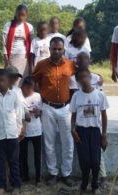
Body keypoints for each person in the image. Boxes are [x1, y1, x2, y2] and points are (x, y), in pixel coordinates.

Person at [32, 37, 75, 186]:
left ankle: (67, 173)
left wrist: (99, 78)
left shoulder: (70, 65)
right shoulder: (41, 65)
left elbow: (83, 77)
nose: (56, 51)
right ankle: (53, 173)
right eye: (54, 48)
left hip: (66, 108)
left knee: (68, 142)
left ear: (63, 49)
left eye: (59, 48)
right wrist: (37, 97)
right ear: (49, 49)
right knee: (49, 142)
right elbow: (32, 80)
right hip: (47, 107)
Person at [0, 69, 25, 195]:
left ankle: (16, 186)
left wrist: (19, 130)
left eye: (3, 81)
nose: (1, 83)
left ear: (9, 82)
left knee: (14, 162)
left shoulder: (14, 96)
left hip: (12, 134)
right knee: (0, 162)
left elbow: (19, 114)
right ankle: (1, 186)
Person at [70, 68, 109, 194]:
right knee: (85, 161)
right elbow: (73, 115)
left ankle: (95, 185)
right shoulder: (76, 96)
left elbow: (104, 115)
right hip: (81, 131)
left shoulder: (99, 94)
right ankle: (84, 183)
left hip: (95, 131)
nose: (84, 80)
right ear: (77, 81)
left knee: (96, 161)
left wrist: (104, 135)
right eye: (80, 78)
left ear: (90, 78)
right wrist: (72, 130)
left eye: (86, 76)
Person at [3, 4, 34, 84]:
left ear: (26, 15)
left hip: (25, 57)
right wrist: (5, 57)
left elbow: (32, 44)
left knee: (23, 79)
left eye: (23, 15)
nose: (21, 17)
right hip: (12, 56)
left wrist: (31, 60)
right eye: (19, 15)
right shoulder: (8, 25)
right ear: (16, 13)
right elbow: (4, 43)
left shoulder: (29, 27)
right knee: (12, 78)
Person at [20, 76, 42, 184]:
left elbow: (41, 111)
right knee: (23, 156)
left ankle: (38, 177)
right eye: (26, 88)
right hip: (24, 131)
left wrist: (38, 113)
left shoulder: (38, 96)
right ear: (22, 86)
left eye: (31, 88)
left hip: (36, 130)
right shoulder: (19, 97)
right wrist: (25, 114)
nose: (29, 90)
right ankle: (25, 176)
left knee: (37, 155)